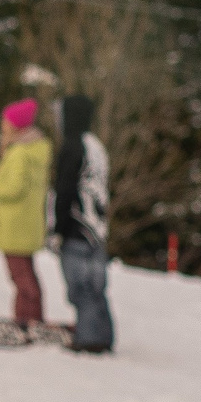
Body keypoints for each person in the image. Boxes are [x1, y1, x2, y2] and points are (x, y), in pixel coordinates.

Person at [0, 100, 52, 326]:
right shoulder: (33, 149)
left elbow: (15, 188)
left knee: (21, 277)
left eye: (6, 120)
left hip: (15, 224)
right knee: (25, 275)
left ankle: (27, 320)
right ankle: (30, 317)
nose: (2, 124)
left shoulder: (20, 152)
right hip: (26, 223)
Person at [50, 94, 114, 353]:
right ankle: (104, 334)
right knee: (97, 287)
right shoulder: (95, 145)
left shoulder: (72, 146)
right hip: (97, 229)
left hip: (77, 228)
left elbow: (64, 189)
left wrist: (58, 228)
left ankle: (90, 338)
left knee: (81, 287)